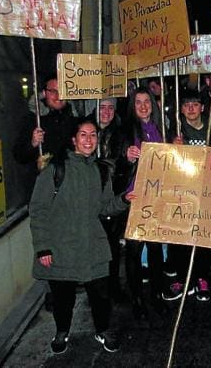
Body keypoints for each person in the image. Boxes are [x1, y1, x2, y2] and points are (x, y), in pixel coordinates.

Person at [29, 118, 133, 354]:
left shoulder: (100, 170)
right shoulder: (55, 169)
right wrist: (43, 247)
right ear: (74, 139)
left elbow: (104, 208)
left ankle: (102, 329)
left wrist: (124, 200)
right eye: (83, 135)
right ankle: (62, 332)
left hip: (92, 244)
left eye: (93, 135)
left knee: (101, 295)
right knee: (63, 296)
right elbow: (38, 210)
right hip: (61, 245)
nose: (89, 140)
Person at [162, 90, 211, 302]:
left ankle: (202, 278)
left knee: (202, 235)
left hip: (206, 190)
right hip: (182, 191)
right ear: (181, 109)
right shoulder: (174, 132)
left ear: (203, 108)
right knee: (180, 234)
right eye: (186, 105)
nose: (191, 108)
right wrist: (172, 149)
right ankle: (182, 279)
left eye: (195, 104)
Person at [120, 87, 169, 318]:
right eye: (138, 102)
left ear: (153, 104)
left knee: (156, 249)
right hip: (136, 198)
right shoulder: (127, 130)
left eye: (146, 101)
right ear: (133, 105)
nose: (142, 106)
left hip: (157, 197)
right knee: (134, 251)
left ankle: (157, 294)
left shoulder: (161, 128)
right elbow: (117, 162)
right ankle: (137, 298)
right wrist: (126, 157)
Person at [92, 98, 127, 302]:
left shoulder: (120, 132)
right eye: (102, 107)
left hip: (112, 193)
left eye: (110, 107)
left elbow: (122, 163)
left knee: (112, 245)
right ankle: (96, 287)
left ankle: (113, 286)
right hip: (88, 195)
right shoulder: (84, 129)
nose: (106, 112)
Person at [13, 74, 78, 170]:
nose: (58, 96)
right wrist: (32, 144)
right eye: (52, 91)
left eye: (62, 91)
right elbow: (19, 156)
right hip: (44, 179)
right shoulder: (33, 120)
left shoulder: (74, 117)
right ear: (44, 93)